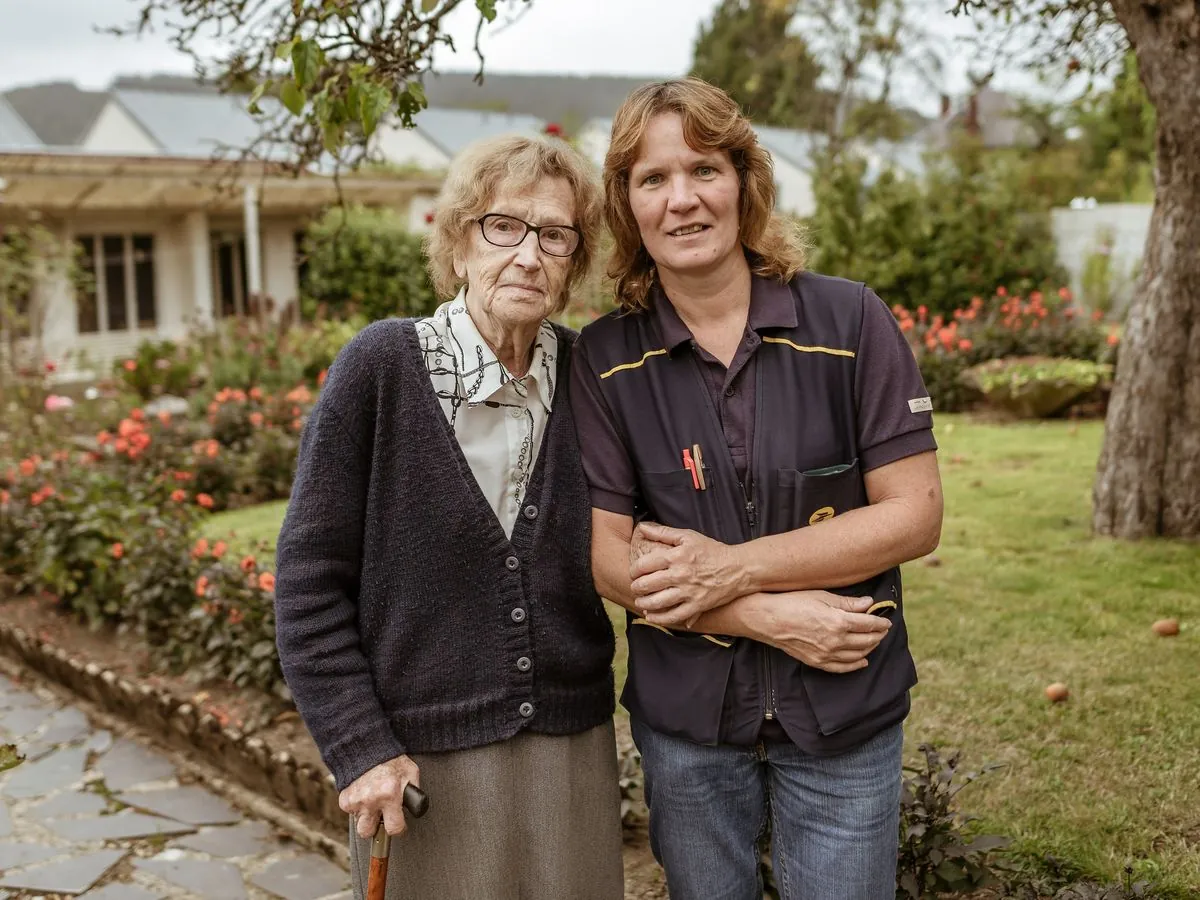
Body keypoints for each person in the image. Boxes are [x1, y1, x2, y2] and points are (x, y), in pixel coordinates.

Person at [570, 77, 944, 900]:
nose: (682, 200)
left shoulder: (850, 325)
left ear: (745, 181)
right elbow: (607, 559)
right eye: (652, 179)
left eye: (704, 169)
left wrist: (731, 568)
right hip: (690, 728)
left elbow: (914, 515)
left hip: (845, 710)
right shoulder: (603, 361)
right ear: (627, 207)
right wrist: (767, 616)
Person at [274, 134, 624, 900]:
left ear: (571, 264)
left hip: (571, 752)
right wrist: (360, 747)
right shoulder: (381, 366)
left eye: (555, 235)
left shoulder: (592, 378)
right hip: (419, 767)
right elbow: (307, 584)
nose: (529, 255)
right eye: (504, 226)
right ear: (460, 243)